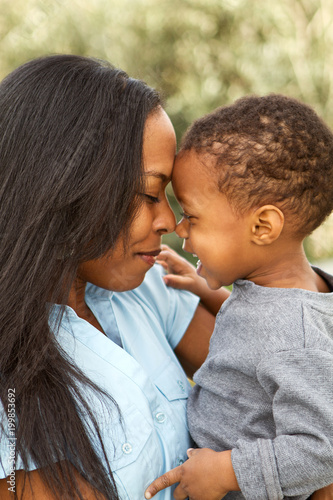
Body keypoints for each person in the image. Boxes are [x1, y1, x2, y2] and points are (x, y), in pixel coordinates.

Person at [0, 54, 231, 500]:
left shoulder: (154, 286)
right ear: (66, 188)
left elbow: (270, 374)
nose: (169, 219)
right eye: (149, 192)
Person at [145, 94, 333, 500]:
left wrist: (228, 471)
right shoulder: (275, 290)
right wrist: (207, 291)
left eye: (192, 216)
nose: (179, 227)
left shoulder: (296, 333)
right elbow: (257, 331)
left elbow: (322, 451)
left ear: (263, 226)